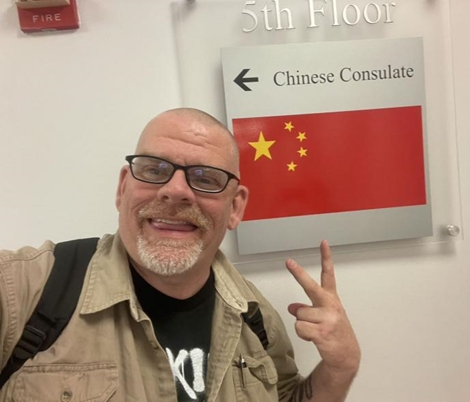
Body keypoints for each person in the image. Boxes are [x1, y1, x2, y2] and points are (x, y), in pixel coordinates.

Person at [0, 108, 360, 401]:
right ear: (123, 187)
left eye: (205, 178)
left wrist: (340, 367)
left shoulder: (255, 318)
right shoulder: (24, 290)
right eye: (154, 170)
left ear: (235, 208)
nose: (175, 191)